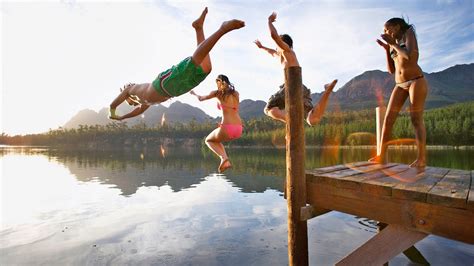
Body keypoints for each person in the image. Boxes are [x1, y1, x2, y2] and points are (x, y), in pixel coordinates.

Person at [108, 7, 245, 120]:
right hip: (175, 89)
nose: (130, 85)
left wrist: (112, 111)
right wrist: (122, 117)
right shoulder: (144, 101)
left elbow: (120, 97)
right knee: (205, 69)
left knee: (193, 63)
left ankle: (222, 29)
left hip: (165, 83)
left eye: (128, 98)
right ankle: (198, 28)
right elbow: (137, 111)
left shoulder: (134, 89)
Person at [254, 12, 337, 126]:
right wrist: (262, 47)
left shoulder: (287, 51)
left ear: (283, 44)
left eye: (278, 44)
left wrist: (269, 21)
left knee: (269, 109)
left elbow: (274, 36)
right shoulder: (283, 55)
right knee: (311, 120)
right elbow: (271, 52)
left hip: (290, 87)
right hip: (301, 88)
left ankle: (292, 121)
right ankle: (327, 91)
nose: (276, 47)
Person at [369, 17, 428, 168]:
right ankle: (381, 156)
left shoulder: (408, 33)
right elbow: (391, 70)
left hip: (416, 80)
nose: (386, 32)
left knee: (416, 119)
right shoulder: (391, 44)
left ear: (397, 27)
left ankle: (421, 159)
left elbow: (411, 57)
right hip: (400, 84)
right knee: (388, 120)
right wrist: (387, 49)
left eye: (388, 29)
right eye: (384, 31)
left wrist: (393, 44)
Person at [190, 75, 242, 173]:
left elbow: (201, 98)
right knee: (217, 141)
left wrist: (194, 94)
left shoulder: (217, 93)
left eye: (217, 82)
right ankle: (225, 159)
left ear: (220, 82)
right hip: (239, 128)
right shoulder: (236, 94)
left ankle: (224, 158)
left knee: (208, 140)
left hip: (227, 127)